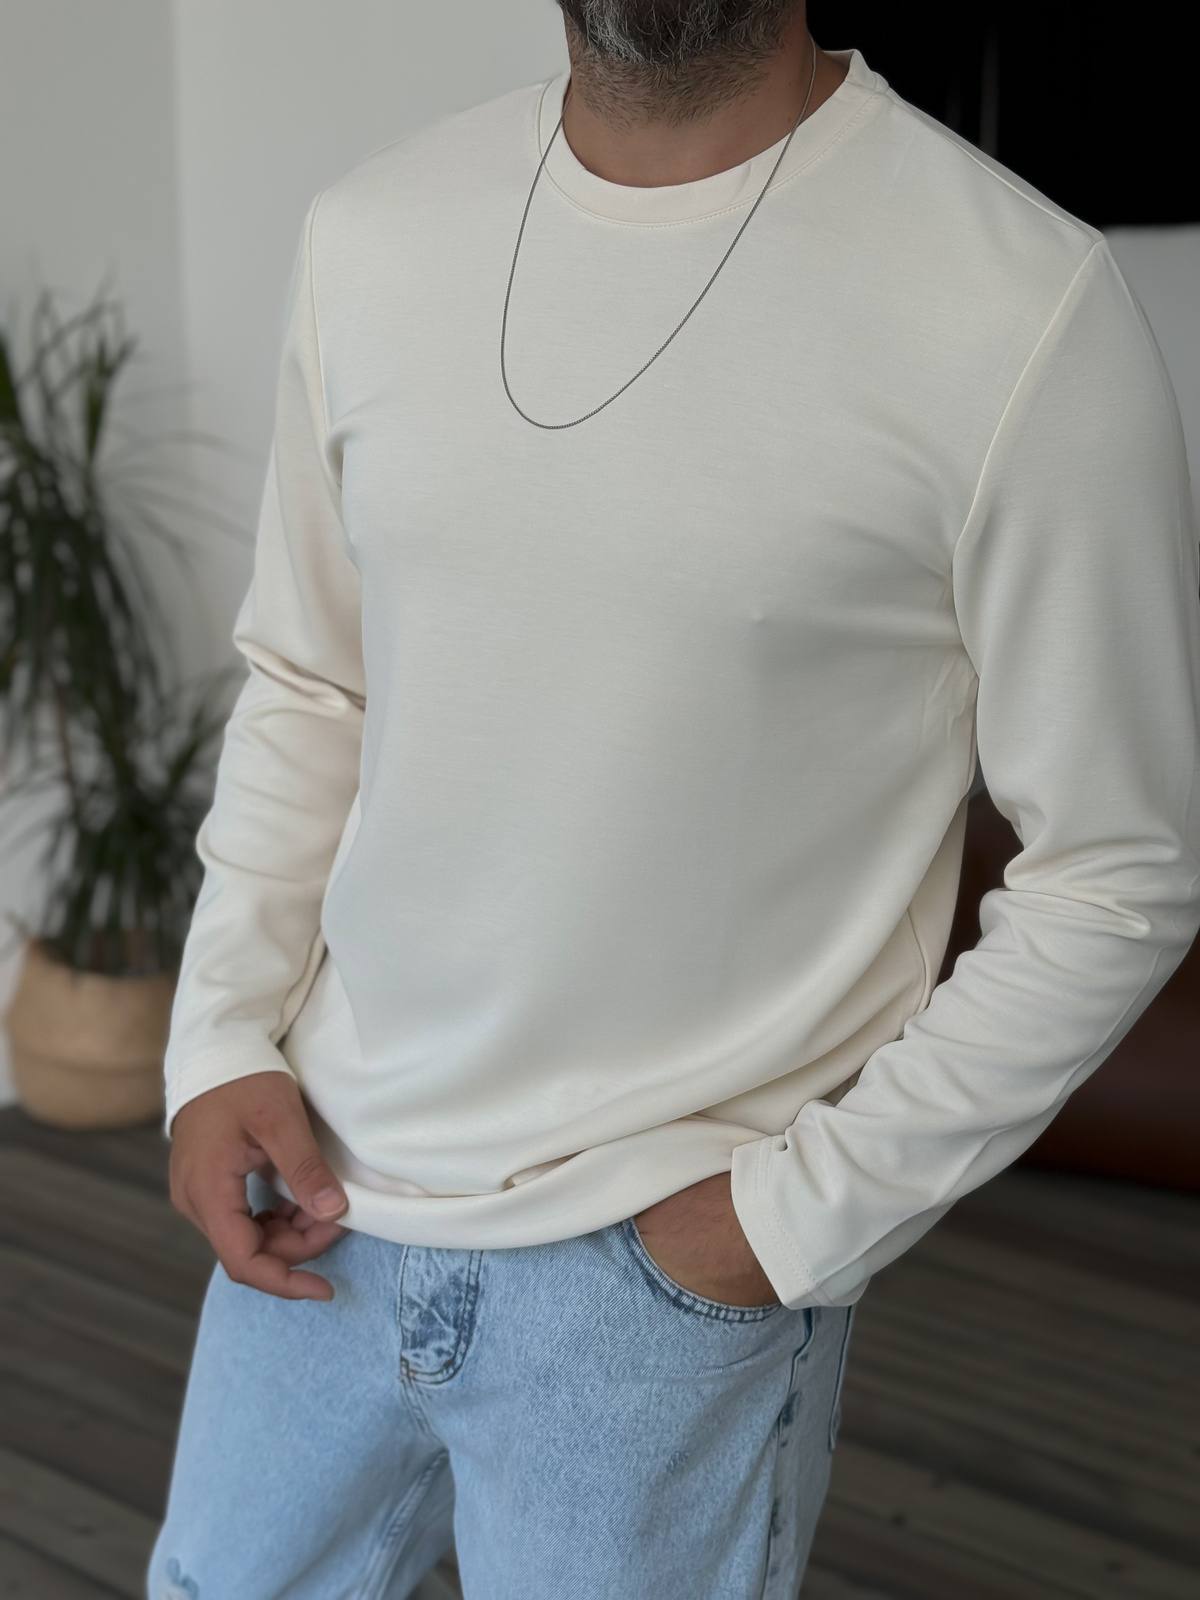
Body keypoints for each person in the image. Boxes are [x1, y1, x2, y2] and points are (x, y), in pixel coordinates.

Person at [146, 2, 1200, 1597]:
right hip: (320, 1196)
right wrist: (220, 1037)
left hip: (658, 1285)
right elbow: (311, 681)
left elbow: (1117, 870)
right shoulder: (373, 232)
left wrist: (784, 1223)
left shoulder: (1017, 302)